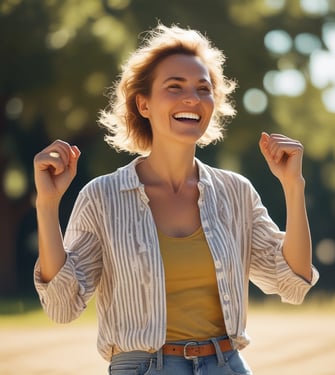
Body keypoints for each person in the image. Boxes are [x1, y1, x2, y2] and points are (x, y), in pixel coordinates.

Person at [33, 23, 319, 375]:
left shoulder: (236, 193)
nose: (192, 99)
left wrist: (293, 186)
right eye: (175, 87)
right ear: (144, 104)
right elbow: (62, 306)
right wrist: (46, 206)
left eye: (203, 89)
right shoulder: (102, 197)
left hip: (227, 365)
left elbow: (292, 281)